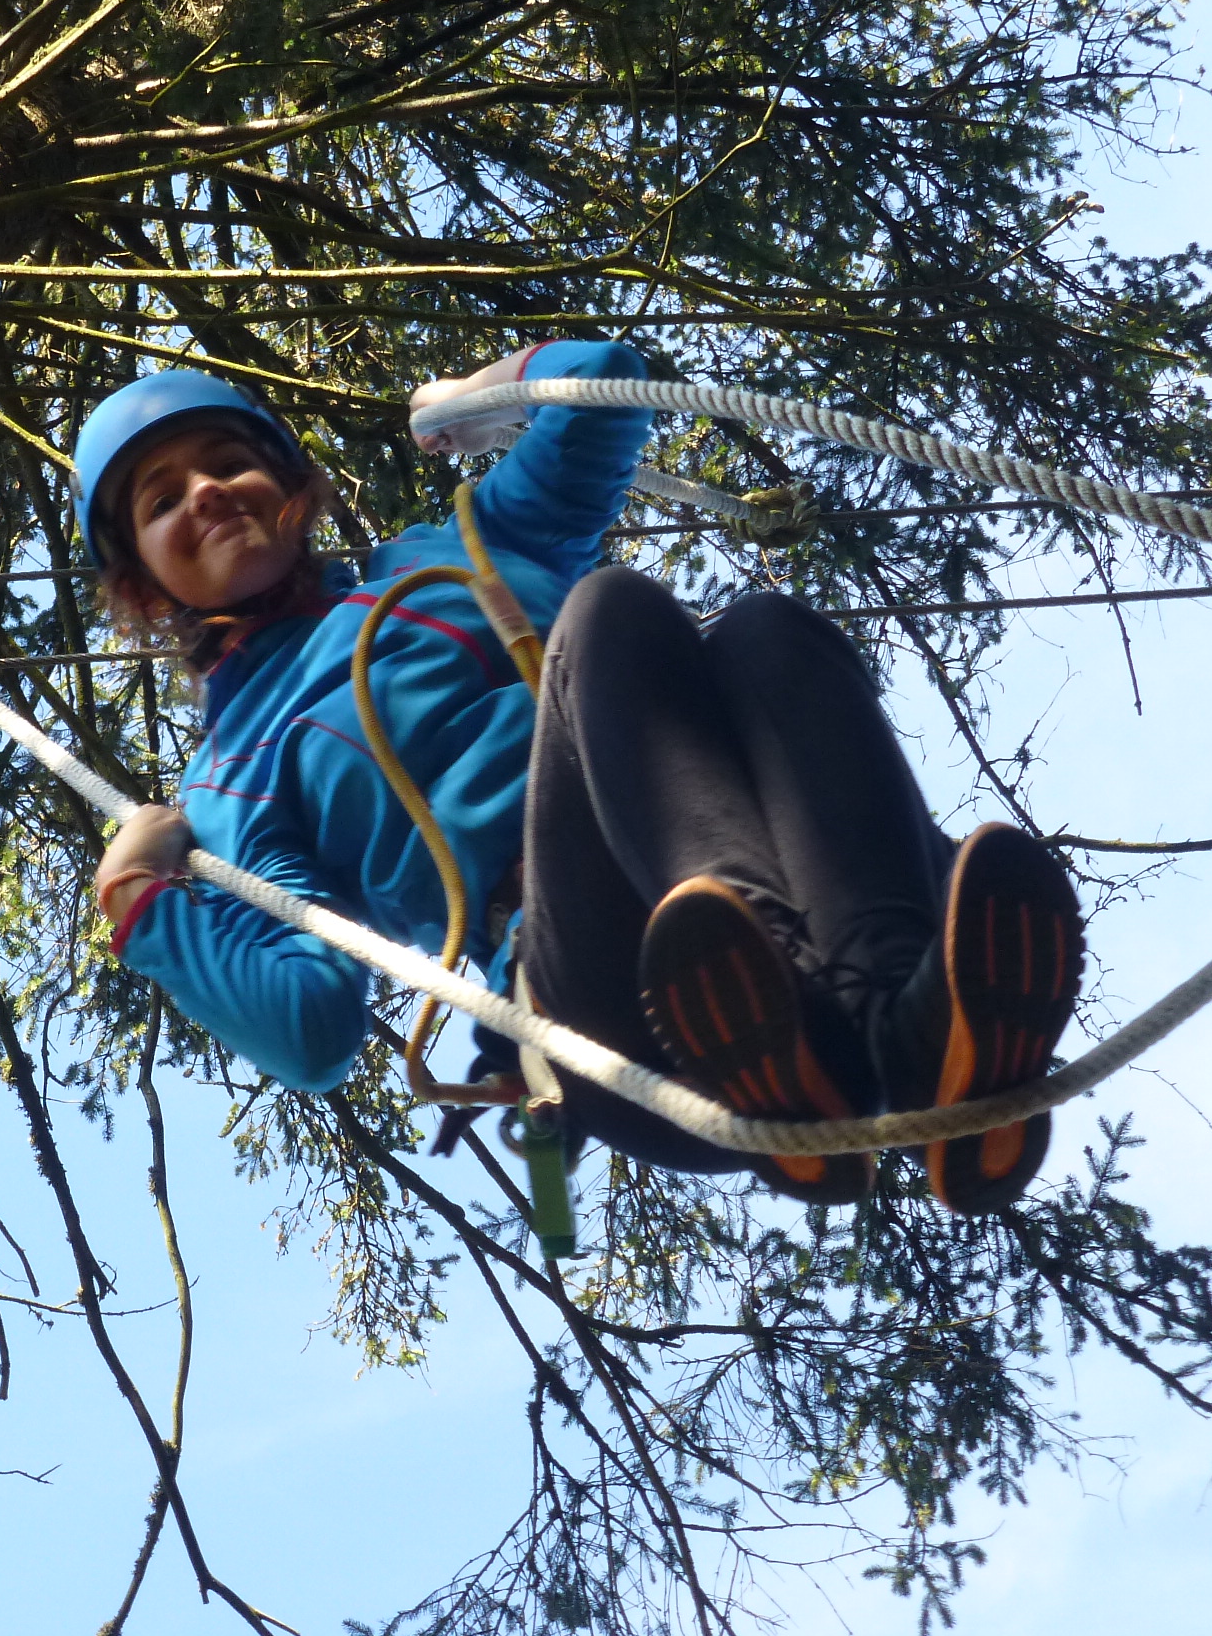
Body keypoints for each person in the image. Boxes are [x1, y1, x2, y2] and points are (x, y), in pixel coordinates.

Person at [79, 346, 1083, 1213]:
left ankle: (906, 1025)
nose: (205, 492)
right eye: (163, 501)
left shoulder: (462, 545)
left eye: (227, 462)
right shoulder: (232, 776)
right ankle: (757, 979)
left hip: (772, 968)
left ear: (288, 482)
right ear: (141, 582)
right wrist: (142, 906)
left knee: (766, 630)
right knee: (606, 613)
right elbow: (313, 1032)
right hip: (611, 1006)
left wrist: (479, 394)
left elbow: (604, 380)